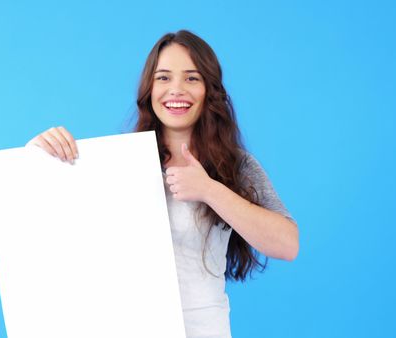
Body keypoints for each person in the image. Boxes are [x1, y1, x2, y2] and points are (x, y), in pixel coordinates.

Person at [26, 30, 299, 338]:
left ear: (210, 89)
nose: (176, 90)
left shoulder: (236, 166)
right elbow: (55, 240)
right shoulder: (118, 163)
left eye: (192, 78)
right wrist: (37, 161)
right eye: (164, 78)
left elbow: (287, 244)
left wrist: (209, 189)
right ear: (149, 89)